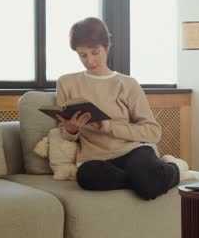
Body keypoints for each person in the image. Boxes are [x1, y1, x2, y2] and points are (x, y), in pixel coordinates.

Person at [55, 17, 189, 200]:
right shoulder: (66, 83)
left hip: (131, 151)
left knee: (149, 189)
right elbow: (64, 133)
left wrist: (107, 126)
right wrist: (71, 129)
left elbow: (153, 132)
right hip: (96, 159)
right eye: (82, 55)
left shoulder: (127, 84)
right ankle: (143, 179)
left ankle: (174, 168)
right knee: (86, 177)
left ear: (107, 46)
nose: (89, 61)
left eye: (95, 52)